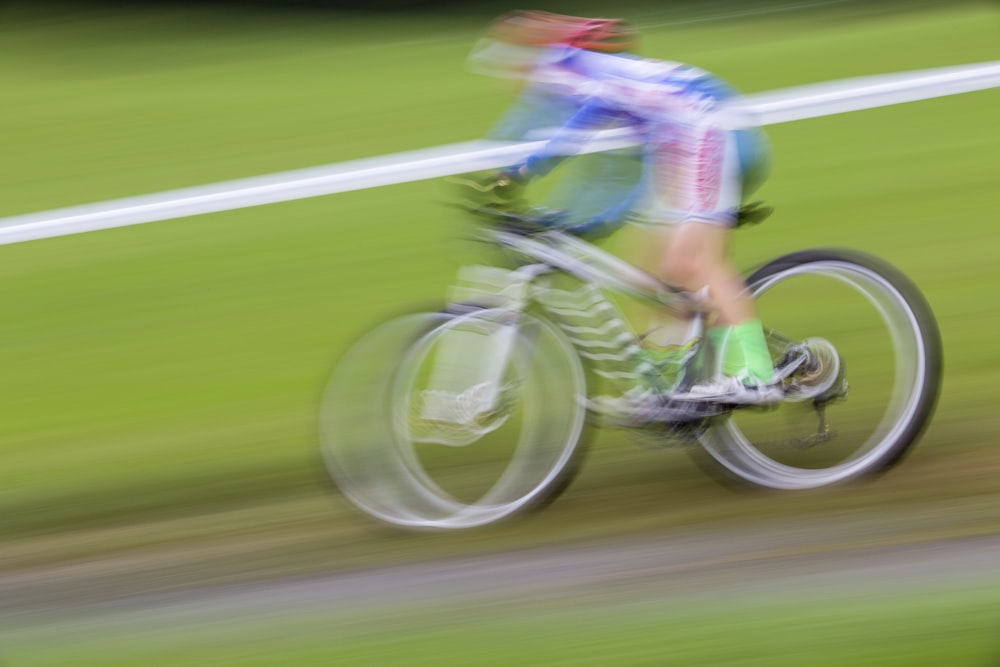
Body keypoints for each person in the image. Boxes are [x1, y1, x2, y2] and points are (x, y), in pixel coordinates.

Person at [458, 11, 778, 404]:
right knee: (651, 270)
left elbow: (572, 135)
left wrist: (519, 174)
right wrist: (574, 218)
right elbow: (612, 170)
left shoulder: (561, 70)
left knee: (694, 264)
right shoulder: (580, 77)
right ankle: (670, 381)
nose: (506, 79)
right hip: (686, 139)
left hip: (707, 129)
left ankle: (759, 372)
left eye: (506, 65)